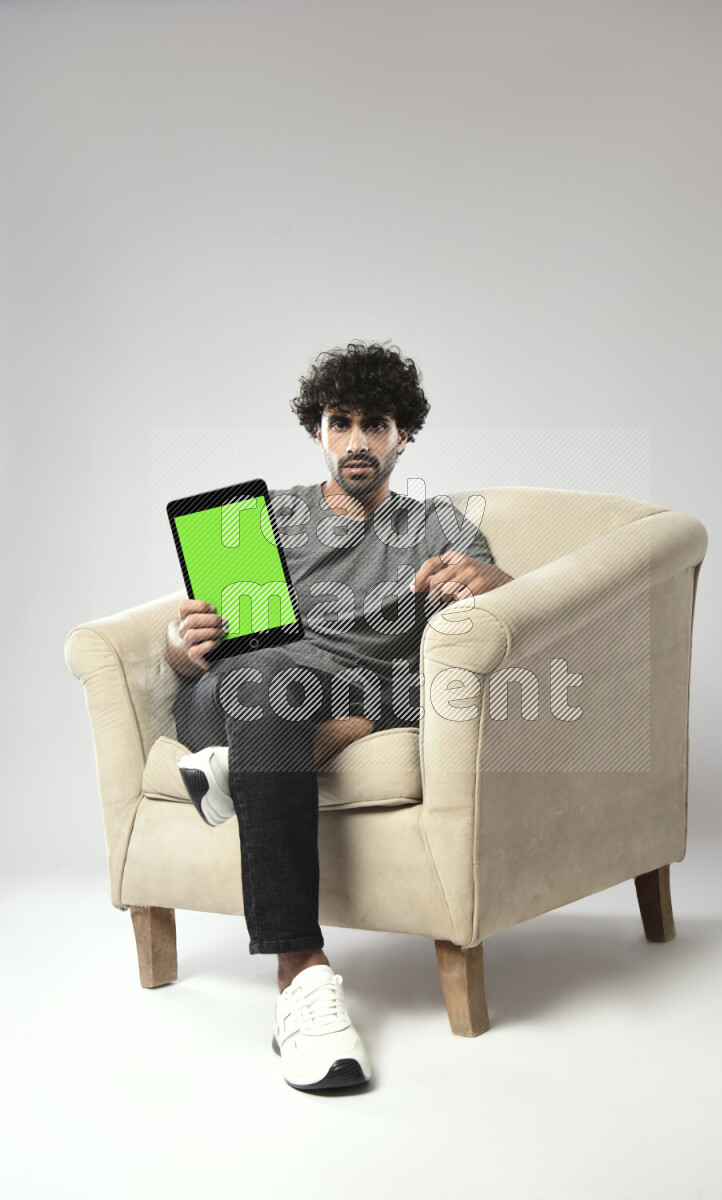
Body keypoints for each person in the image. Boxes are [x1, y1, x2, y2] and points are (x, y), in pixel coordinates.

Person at [164, 340, 513, 1091]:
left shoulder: (434, 524)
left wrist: (493, 580)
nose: (357, 440)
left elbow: (514, 617)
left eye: (375, 424)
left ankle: (264, 776)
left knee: (435, 684)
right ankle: (301, 966)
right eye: (340, 422)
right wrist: (180, 644)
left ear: (403, 434)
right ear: (318, 431)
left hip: (366, 692)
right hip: (240, 693)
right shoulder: (268, 519)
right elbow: (202, 658)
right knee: (255, 681)